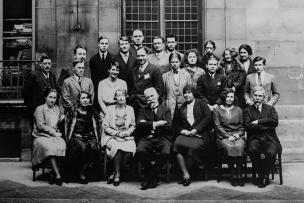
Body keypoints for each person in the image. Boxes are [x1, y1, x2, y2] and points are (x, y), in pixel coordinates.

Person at [173, 85, 212, 186]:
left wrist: (196, 129)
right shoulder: (181, 108)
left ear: (193, 93)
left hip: (200, 134)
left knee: (192, 148)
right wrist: (183, 131)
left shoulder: (202, 104)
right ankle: (186, 174)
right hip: (186, 135)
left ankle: (190, 172)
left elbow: (208, 118)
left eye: (189, 92)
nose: (187, 95)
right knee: (177, 145)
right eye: (185, 93)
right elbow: (176, 124)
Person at [244, 86, 282, 188]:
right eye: (255, 95)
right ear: (252, 97)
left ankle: (264, 175)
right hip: (254, 138)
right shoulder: (247, 110)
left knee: (271, 152)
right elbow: (248, 126)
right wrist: (266, 125)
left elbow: (274, 122)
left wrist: (259, 121)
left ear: (263, 97)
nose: (257, 98)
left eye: (260, 96)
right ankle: (262, 175)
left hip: (270, 138)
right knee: (252, 150)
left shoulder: (270, 109)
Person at [136, 87, 172, 190]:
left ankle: (150, 176)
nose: (150, 99)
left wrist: (146, 124)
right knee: (140, 151)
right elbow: (139, 125)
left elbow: (169, 126)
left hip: (161, 138)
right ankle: (153, 176)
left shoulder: (166, 109)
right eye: (148, 98)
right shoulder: (143, 110)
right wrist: (157, 124)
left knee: (166, 152)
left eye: (152, 96)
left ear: (157, 95)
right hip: (147, 138)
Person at [101, 89, 136, 186]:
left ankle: (114, 171)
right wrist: (117, 133)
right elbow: (106, 127)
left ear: (126, 96)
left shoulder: (130, 109)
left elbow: (133, 125)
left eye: (123, 95)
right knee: (117, 147)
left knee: (130, 149)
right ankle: (117, 174)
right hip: (111, 136)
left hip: (126, 136)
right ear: (115, 98)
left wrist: (127, 132)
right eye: (118, 95)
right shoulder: (110, 109)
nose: (120, 98)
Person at [32, 88, 66, 186]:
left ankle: (52, 173)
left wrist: (62, 118)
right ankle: (58, 175)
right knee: (50, 148)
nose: (52, 100)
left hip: (54, 136)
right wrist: (54, 133)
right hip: (41, 136)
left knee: (62, 146)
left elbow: (57, 123)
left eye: (54, 98)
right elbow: (40, 126)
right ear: (45, 97)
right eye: (50, 97)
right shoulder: (40, 109)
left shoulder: (57, 109)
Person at [65, 91, 101, 184]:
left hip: (89, 136)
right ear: (79, 100)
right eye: (83, 98)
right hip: (76, 136)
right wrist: (73, 135)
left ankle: (82, 171)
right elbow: (67, 124)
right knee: (82, 148)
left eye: (87, 98)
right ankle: (76, 173)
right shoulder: (73, 110)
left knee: (93, 147)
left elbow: (99, 123)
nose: (85, 100)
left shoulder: (92, 111)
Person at [213, 88, 246, 186]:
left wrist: (238, 134)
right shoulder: (217, 110)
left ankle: (239, 174)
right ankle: (232, 174)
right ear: (224, 97)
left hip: (237, 135)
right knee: (230, 147)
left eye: (231, 97)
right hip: (223, 137)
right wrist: (228, 136)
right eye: (227, 96)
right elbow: (217, 126)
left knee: (239, 146)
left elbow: (242, 126)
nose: (229, 99)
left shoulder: (239, 110)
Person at [128, 47, 164, 117]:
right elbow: (130, 86)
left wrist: (152, 101)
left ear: (147, 55)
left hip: (147, 104)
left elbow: (159, 88)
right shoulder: (133, 70)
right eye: (138, 56)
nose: (140, 58)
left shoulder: (154, 69)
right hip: (134, 104)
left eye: (143, 55)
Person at [162, 52, 192, 119]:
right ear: (170, 63)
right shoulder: (165, 76)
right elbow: (163, 95)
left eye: (176, 62)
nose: (174, 64)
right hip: (170, 106)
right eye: (172, 62)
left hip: (184, 105)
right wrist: (164, 108)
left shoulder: (186, 75)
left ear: (180, 62)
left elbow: (191, 92)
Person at [89, 36, 114, 110]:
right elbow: (93, 77)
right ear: (98, 44)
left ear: (108, 45)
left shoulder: (113, 58)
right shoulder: (93, 59)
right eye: (102, 43)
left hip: (109, 88)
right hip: (97, 88)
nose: (104, 45)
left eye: (106, 43)